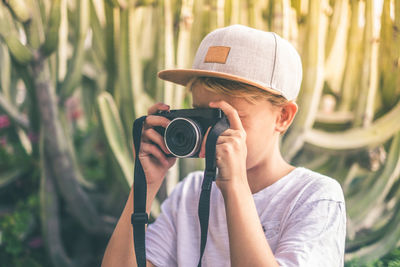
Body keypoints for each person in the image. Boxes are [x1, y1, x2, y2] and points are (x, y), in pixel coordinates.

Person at [101, 24, 346, 267]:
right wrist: (145, 185)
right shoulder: (189, 194)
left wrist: (236, 186)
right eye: (200, 115)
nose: (211, 132)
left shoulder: (314, 197)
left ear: (283, 117)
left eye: (226, 118)